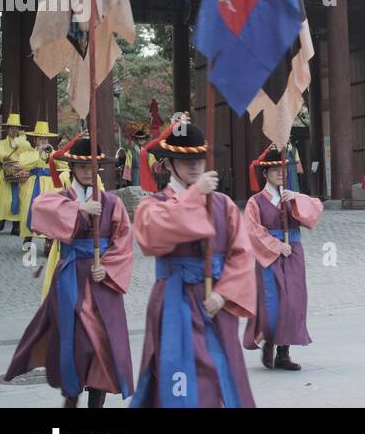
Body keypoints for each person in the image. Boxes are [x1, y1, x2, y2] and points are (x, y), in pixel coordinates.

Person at [131, 118, 257, 408]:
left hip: (216, 301)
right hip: (174, 299)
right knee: (181, 377)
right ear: (168, 164)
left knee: (220, 375)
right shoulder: (154, 206)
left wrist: (224, 293)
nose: (195, 165)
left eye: (199, 158)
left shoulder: (223, 205)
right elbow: (153, 238)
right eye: (184, 159)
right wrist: (194, 196)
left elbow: (242, 253)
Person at [4, 137, 134, 408]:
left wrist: (108, 268)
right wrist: (78, 208)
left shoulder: (111, 203)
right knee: (73, 343)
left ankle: (96, 403)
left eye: (93, 166)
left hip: (102, 280)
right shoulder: (60, 198)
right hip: (71, 276)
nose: (88, 171)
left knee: (103, 344)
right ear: (72, 167)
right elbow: (39, 212)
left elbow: (124, 240)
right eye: (82, 166)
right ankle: (71, 398)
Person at [242, 144, 324, 370]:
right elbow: (253, 230)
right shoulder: (256, 201)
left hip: (293, 251)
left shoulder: (291, 196)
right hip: (270, 255)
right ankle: (269, 341)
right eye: (275, 169)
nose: (281, 173)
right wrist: (277, 246)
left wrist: (297, 198)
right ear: (265, 173)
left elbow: (314, 213)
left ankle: (283, 352)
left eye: (283, 169)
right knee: (272, 304)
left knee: (293, 302)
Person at [18, 121, 62, 250]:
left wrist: (51, 154)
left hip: (50, 184)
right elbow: (23, 163)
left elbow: (64, 165)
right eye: (40, 138)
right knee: (29, 208)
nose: (43, 141)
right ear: (35, 139)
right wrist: (39, 151)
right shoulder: (30, 153)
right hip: (33, 183)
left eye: (45, 138)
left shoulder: (52, 152)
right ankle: (28, 236)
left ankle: (48, 240)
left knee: (50, 211)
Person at [0, 113, 33, 236]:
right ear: (7, 129)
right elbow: (1, 155)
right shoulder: (1, 143)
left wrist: (20, 140)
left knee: (20, 199)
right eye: (12, 128)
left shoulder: (24, 142)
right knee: (5, 200)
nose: (14, 130)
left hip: (20, 175)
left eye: (16, 128)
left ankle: (16, 226)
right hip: (6, 175)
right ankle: (1, 220)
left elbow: (30, 153)